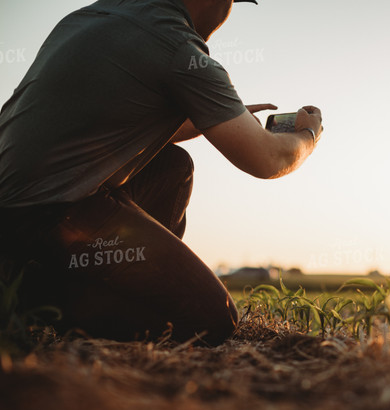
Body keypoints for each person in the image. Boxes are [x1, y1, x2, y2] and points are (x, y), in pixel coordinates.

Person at [0, 0, 323, 345]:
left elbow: (118, 119)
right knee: (211, 320)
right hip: (51, 216)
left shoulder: (86, 18)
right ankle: (41, 301)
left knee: (173, 167)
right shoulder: (178, 46)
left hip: (12, 215)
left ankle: (48, 282)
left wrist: (209, 114)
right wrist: (307, 135)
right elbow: (267, 159)